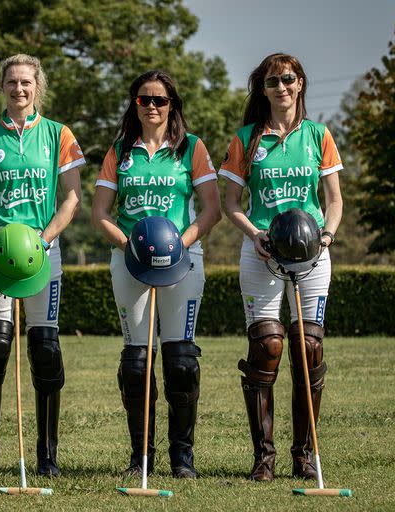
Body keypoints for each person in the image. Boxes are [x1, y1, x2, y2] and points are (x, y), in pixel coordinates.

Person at [219, 53, 344, 482]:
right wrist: (254, 234)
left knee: (308, 349)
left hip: (313, 257)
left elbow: (334, 199)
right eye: (273, 82)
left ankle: (305, 456)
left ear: (301, 84)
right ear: (264, 89)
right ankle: (264, 458)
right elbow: (230, 202)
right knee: (267, 347)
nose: (282, 88)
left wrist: (326, 236)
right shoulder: (247, 138)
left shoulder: (319, 135)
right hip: (262, 255)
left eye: (288, 79)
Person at [91, 70, 222, 478]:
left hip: (183, 261)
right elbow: (99, 213)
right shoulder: (120, 150)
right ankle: (140, 457)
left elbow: (211, 209)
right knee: (136, 362)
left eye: (160, 100)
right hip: (131, 262)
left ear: (172, 105)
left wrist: (178, 244)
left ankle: (182, 458)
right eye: (144, 99)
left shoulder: (192, 148)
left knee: (181, 361)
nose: (151, 106)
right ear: (134, 104)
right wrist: (129, 245)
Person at [0, 54, 85, 477]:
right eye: (12, 82)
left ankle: (47, 456)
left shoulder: (59, 134)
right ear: (3, 87)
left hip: (42, 248)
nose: (19, 89)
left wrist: (44, 240)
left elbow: (71, 197)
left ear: (38, 87)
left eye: (26, 82)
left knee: (45, 350)